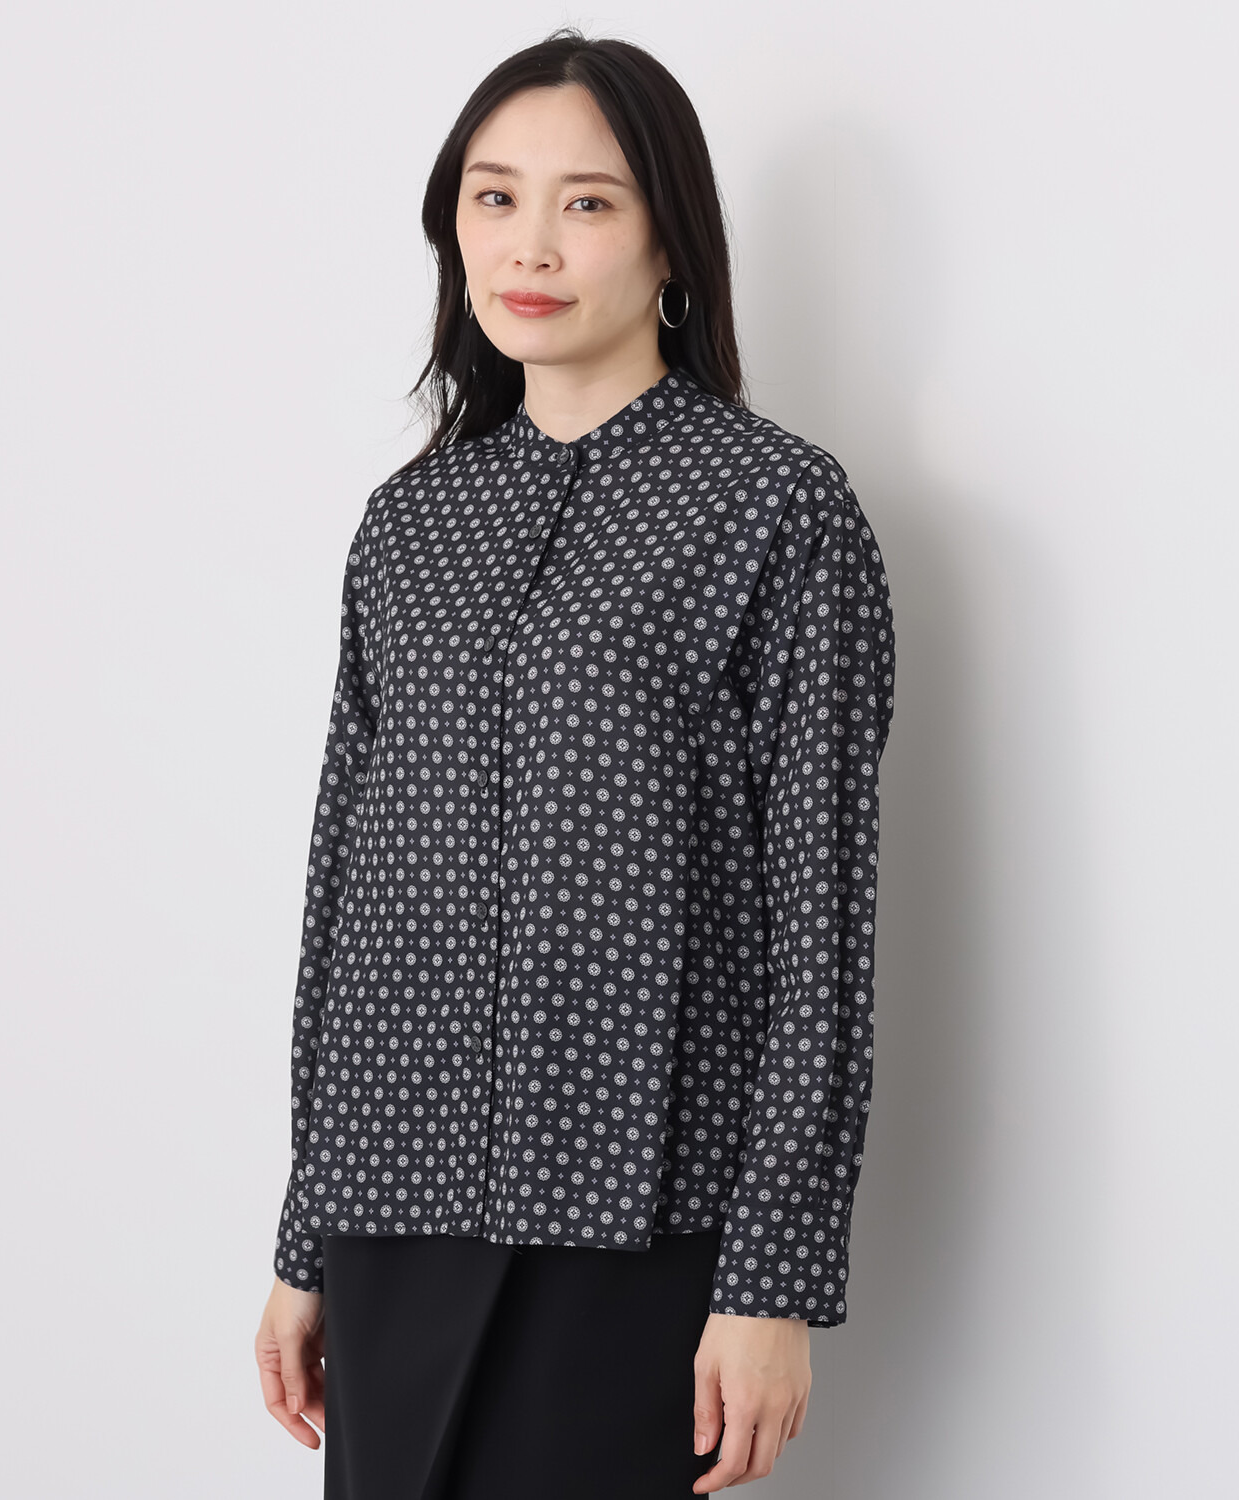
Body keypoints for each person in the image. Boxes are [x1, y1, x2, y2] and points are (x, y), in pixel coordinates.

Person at [255, 27, 896, 1499]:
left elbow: (822, 928)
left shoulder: (779, 511)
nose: (529, 244)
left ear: (673, 240)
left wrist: (773, 1279)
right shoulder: (407, 526)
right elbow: (342, 904)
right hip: (391, 1196)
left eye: (588, 202)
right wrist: (303, 1242)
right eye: (494, 197)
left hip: (637, 1213)